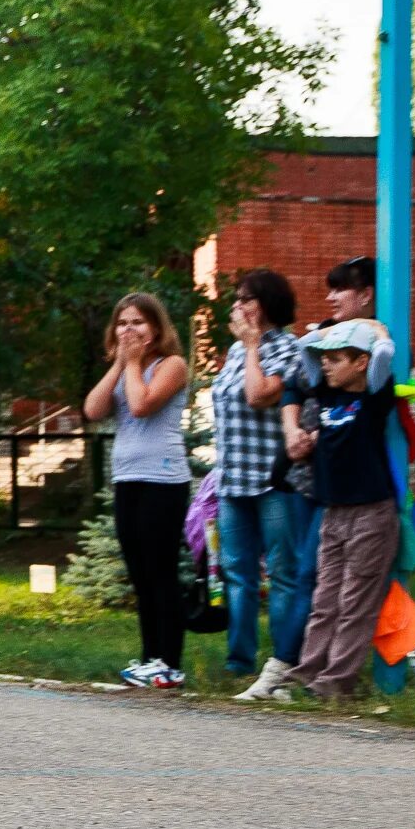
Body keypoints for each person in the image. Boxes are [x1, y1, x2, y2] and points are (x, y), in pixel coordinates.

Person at [270, 319, 399, 700]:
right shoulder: (326, 394)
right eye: (325, 360)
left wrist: (375, 331)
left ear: (360, 363)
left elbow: (384, 354)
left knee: (354, 602)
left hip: (371, 512)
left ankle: (335, 683)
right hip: (334, 511)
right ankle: (308, 672)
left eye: (337, 359)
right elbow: (305, 347)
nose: (325, 365)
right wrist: (335, 335)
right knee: (325, 600)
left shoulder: (375, 396)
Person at [203, 269, 310, 696]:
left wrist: (252, 346)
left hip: (273, 481)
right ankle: (238, 660)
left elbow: (259, 395)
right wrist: (244, 348)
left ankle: (283, 663)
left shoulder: (291, 349)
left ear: (264, 304)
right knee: (236, 573)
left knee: (283, 573)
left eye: (244, 299)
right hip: (233, 480)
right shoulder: (233, 351)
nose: (235, 306)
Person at [82, 292, 192, 691]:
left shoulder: (172, 365)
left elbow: (142, 404)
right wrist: (120, 363)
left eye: (138, 323)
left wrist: (131, 364)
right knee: (140, 574)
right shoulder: (124, 368)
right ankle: (150, 658)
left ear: (156, 329)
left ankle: (170, 663)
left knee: (160, 571)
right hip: (127, 478)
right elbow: (93, 410)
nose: (129, 330)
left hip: (162, 479)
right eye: (123, 323)